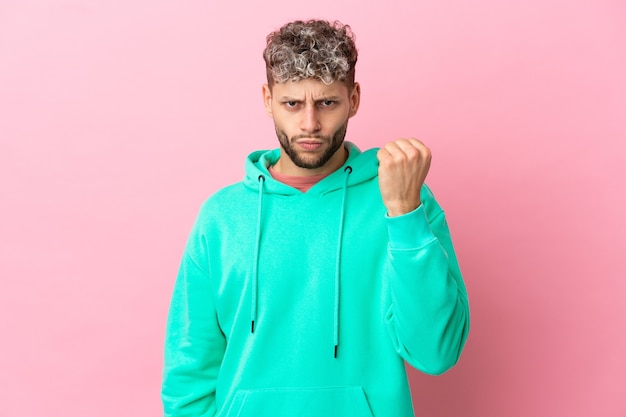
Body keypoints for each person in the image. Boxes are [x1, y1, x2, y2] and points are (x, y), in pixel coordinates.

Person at [162, 19, 470, 417]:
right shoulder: (221, 218)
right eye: (292, 103)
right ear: (268, 99)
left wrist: (404, 214)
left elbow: (436, 352)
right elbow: (187, 378)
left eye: (327, 102)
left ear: (353, 99)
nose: (310, 124)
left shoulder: (402, 197)